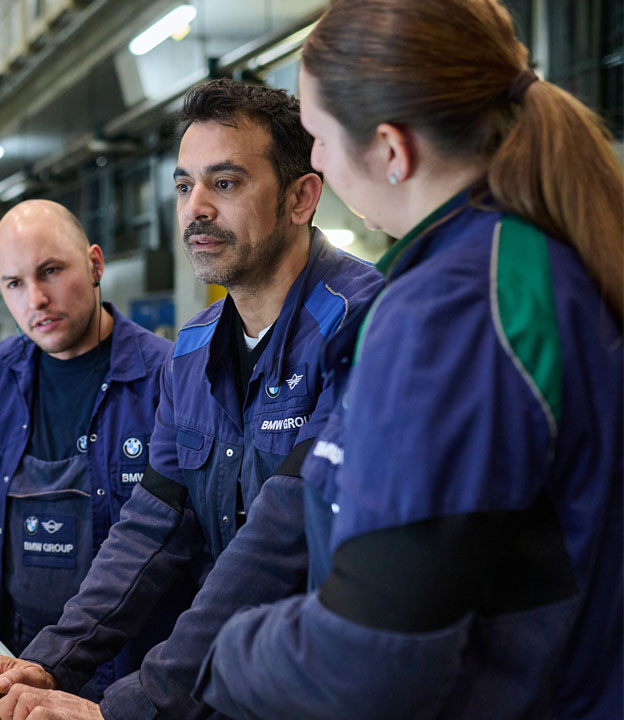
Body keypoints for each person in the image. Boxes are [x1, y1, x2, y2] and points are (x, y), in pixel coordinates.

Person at [193, 1, 624, 718]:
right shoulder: (525, 262)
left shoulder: (452, 313)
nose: (318, 163)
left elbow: (368, 660)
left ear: (392, 151)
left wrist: (232, 653)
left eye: (318, 137)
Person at [0, 79, 383, 719]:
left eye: (225, 183)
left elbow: (280, 545)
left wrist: (128, 708)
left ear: (302, 197)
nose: (196, 207)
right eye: (184, 185)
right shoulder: (193, 352)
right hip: (235, 688)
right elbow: (153, 526)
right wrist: (52, 662)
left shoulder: (364, 327)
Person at [0, 199, 187, 700]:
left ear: (94, 265)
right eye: (14, 283)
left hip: (124, 662)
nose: (36, 299)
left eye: (51, 271)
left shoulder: (165, 377)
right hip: (11, 647)